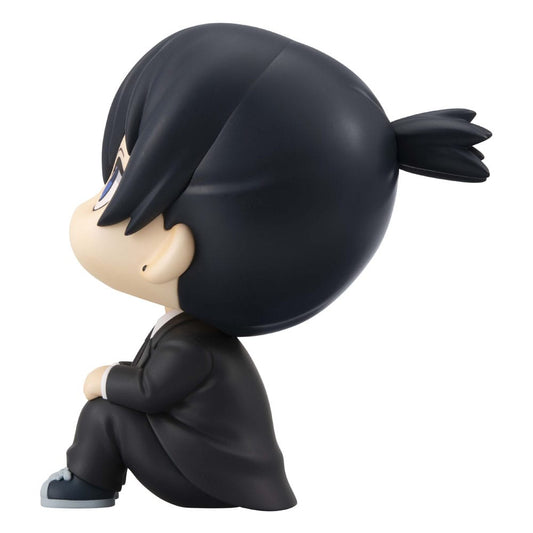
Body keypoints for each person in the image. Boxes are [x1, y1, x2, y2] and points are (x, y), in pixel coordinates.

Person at [41, 23, 491, 509]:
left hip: (205, 478)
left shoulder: (193, 347)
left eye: (117, 183)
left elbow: (149, 391)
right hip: (198, 460)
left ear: (170, 252)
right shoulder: (189, 334)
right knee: (110, 412)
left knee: (103, 414)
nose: (96, 204)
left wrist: (104, 378)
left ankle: (88, 483)